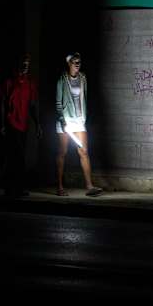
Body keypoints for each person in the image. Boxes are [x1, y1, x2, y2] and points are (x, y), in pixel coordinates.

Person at [55, 52, 103, 197]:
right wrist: (62, 121)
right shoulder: (62, 79)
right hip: (65, 121)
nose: (77, 64)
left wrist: (84, 117)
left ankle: (89, 186)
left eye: (79, 62)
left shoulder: (83, 78)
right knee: (62, 152)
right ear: (69, 63)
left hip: (79, 121)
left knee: (84, 152)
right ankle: (59, 187)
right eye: (74, 62)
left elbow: (85, 98)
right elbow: (58, 102)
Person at [0, 52, 42, 197]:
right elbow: (2, 104)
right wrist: (2, 124)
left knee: (18, 156)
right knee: (16, 156)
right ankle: (13, 188)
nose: (25, 67)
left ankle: (15, 188)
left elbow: (33, 105)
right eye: (23, 64)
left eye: (27, 65)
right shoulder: (9, 82)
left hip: (23, 125)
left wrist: (37, 124)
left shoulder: (30, 83)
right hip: (11, 122)